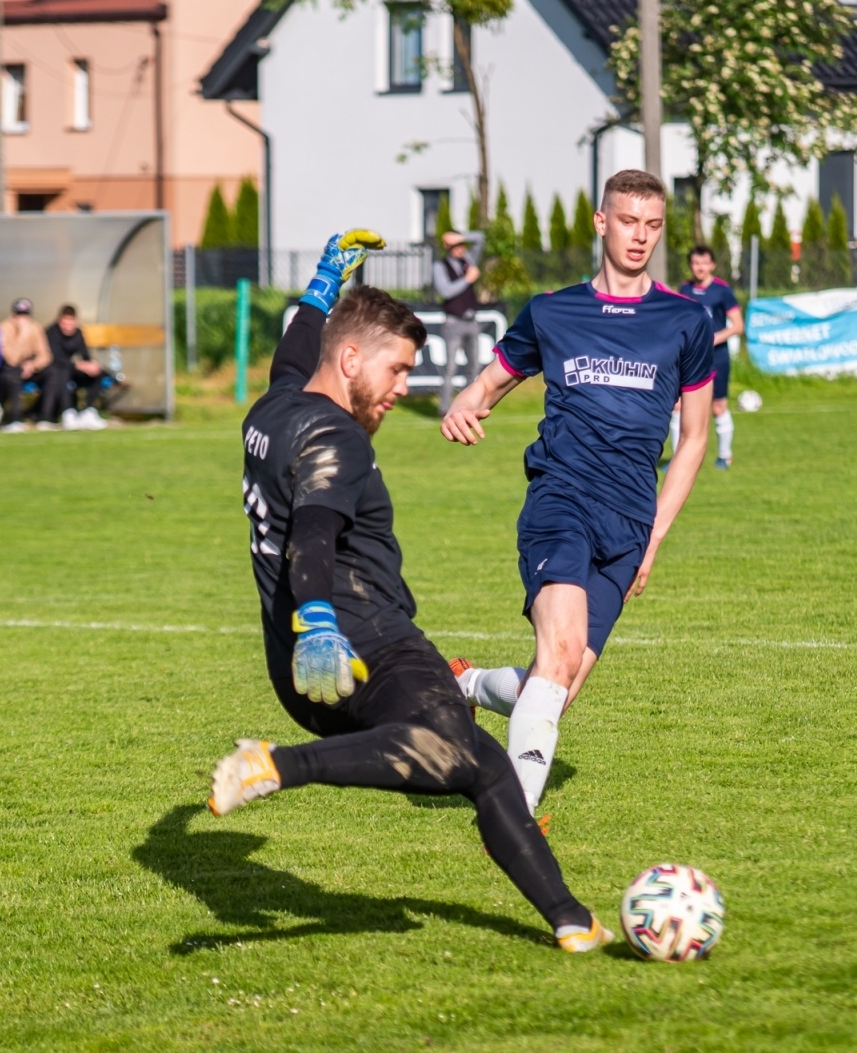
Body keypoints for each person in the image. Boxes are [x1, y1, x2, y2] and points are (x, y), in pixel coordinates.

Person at [206, 230, 612, 954]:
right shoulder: (337, 439)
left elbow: (295, 349)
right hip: (365, 645)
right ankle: (276, 765)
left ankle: (571, 920)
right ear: (350, 360)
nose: (402, 388)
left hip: (295, 670)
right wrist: (320, 622)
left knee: (490, 770)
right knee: (452, 754)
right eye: (396, 369)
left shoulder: (273, 410)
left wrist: (325, 280)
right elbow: (313, 539)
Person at [439, 169, 715, 816]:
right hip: (560, 501)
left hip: (630, 523)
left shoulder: (685, 320)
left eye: (653, 225)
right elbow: (489, 384)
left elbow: (695, 438)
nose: (640, 236)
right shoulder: (552, 311)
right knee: (559, 652)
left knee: (555, 687)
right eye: (628, 221)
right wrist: (463, 406)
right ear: (601, 221)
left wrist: (654, 537)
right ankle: (513, 820)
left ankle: (467, 685)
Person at [673, 244, 743, 469]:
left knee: (718, 407)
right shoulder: (684, 289)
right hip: (690, 357)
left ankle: (724, 456)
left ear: (712, 265)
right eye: (695, 263)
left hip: (717, 357)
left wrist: (713, 338)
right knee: (678, 406)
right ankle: (677, 460)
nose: (700, 267)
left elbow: (738, 326)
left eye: (704, 263)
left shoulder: (722, 291)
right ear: (690, 265)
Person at [431, 229, 486, 416]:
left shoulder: (468, 260)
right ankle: (444, 409)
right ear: (448, 247)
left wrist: (461, 236)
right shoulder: (440, 266)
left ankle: (468, 406)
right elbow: (446, 291)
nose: (460, 248)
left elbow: (480, 238)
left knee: (474, 367)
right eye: (455, 245)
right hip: (453, 323)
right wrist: (467, 279)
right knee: (450, 369)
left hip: (472, 321)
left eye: (461, 244)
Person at [44, 304, 106, 430]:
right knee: (62, 373)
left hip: (75, 369)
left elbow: (85, 354)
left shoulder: (78, 333)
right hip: (56, 370)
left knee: (98, 372)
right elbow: (56, 358)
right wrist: (77, 365)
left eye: (71, 323)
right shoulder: (51, 332)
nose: (68, 327)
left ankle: (88, 411)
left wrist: (90, 364)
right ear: (59, 320)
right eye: (65, 323)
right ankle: (68, 413)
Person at [0, 298, 53, 432]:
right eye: (19, 315)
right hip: (8, 370)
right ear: (12, 315)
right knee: (13, 376)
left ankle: (45, 417)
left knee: (53, 373)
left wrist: (33, 365)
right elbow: (12, 359)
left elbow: (45, 355)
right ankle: (15, 419)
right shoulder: (4, 328)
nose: (22, 319)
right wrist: (22, 334)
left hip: (29, 368)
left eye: (25, 315)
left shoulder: (35, 327)